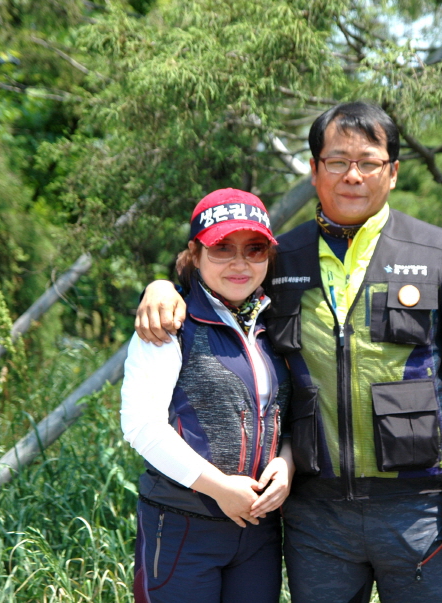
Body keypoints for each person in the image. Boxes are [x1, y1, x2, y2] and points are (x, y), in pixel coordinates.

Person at [135, 102, 442, 603]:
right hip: (314, 516)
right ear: (314, 169)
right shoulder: (280, 257)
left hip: (417, 508)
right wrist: (161, 288)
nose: (353, 175)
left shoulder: (438, 254)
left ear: (392, 172)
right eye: (337, 161)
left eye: (368, 162)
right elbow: (216, 290)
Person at [121, 188, 293, 603]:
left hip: (258, 532)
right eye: (222, 248)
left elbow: (291, 416)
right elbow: (141, 426)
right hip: (182, 526)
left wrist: (287, 465)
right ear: (195, 255)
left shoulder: (277, 323)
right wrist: (219, 488)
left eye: (254, 249)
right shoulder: (168, 323)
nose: (239, 263)